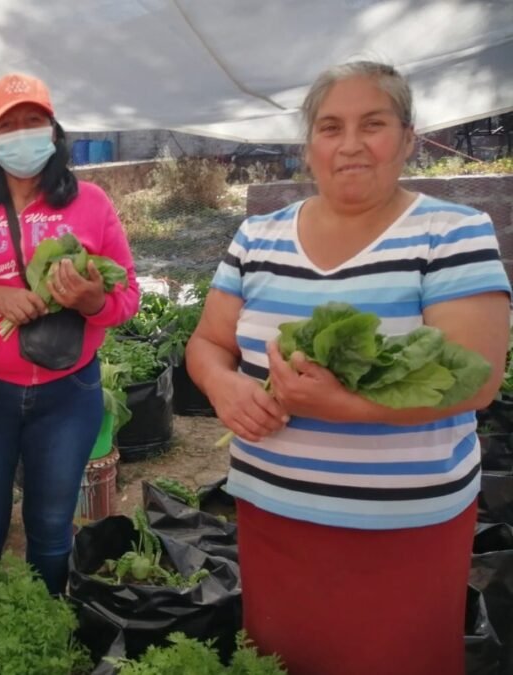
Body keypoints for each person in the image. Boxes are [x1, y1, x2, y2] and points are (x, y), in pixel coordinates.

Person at [186, 61, 511, 675]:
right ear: (309, 146)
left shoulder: (451, 233)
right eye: (331, 127)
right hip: (273, 512)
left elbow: (478, 379)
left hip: (402, 526)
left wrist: (341, 407)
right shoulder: (257, 237)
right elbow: (206, 343)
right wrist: (223, 383)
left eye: (374, 124)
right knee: (282, 656)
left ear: (408, 138)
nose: (351, 143)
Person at [0, 73, 138, 595]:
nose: (22, 134)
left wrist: (92, 301)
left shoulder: (91, 204)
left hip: (68, 393)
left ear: (53, 130)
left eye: (33, 121)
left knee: (50, 529)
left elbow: (127, 297)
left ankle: (50, 623)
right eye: (8, 124)